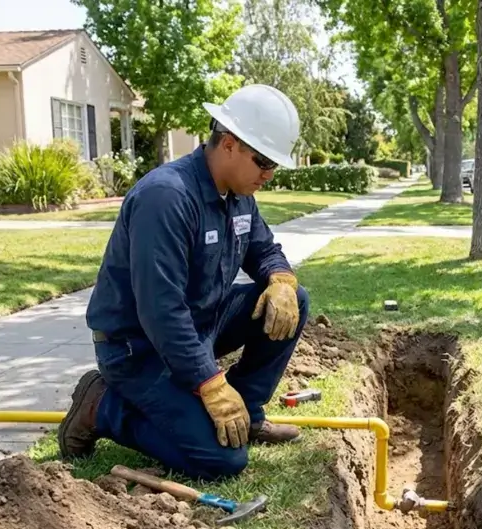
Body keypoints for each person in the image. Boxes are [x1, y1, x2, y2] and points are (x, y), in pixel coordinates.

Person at [57, 84, 309, 481]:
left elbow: (264, 251)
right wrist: (210, 384)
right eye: (263, 161)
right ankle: (101, 406)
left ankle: (247, 414)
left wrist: (280, 278)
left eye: (274, 164)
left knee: (296, 299)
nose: (269, 174)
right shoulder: (166, 197)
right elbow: (161, 311)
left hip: (197, 326)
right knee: (222, 461)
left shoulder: (239, 194)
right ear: (228, 144)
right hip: (138, 349)